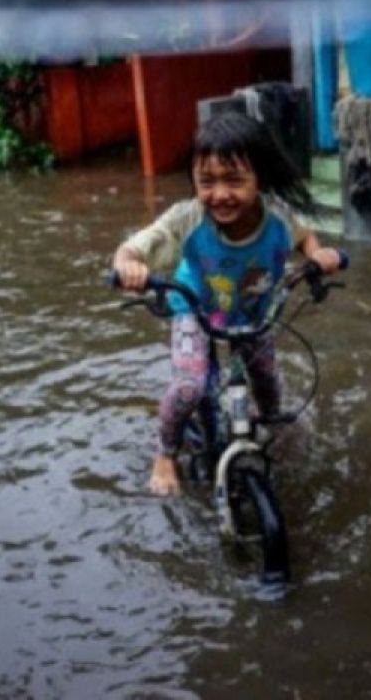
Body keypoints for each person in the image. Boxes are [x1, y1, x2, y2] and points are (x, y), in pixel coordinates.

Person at [111, 112, 343, 496]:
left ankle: (268, 427)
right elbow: (144, 242)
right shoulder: (189, 218)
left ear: (260, 180)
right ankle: (165, 453)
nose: (220, 194)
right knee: (190, 386)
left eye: (234, 180)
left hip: (253, 312)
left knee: (268, 380)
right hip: (195, 307)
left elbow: (306, 238)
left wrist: (320, 257)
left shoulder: (278, 217)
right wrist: (127, 264)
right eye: (207, 181)